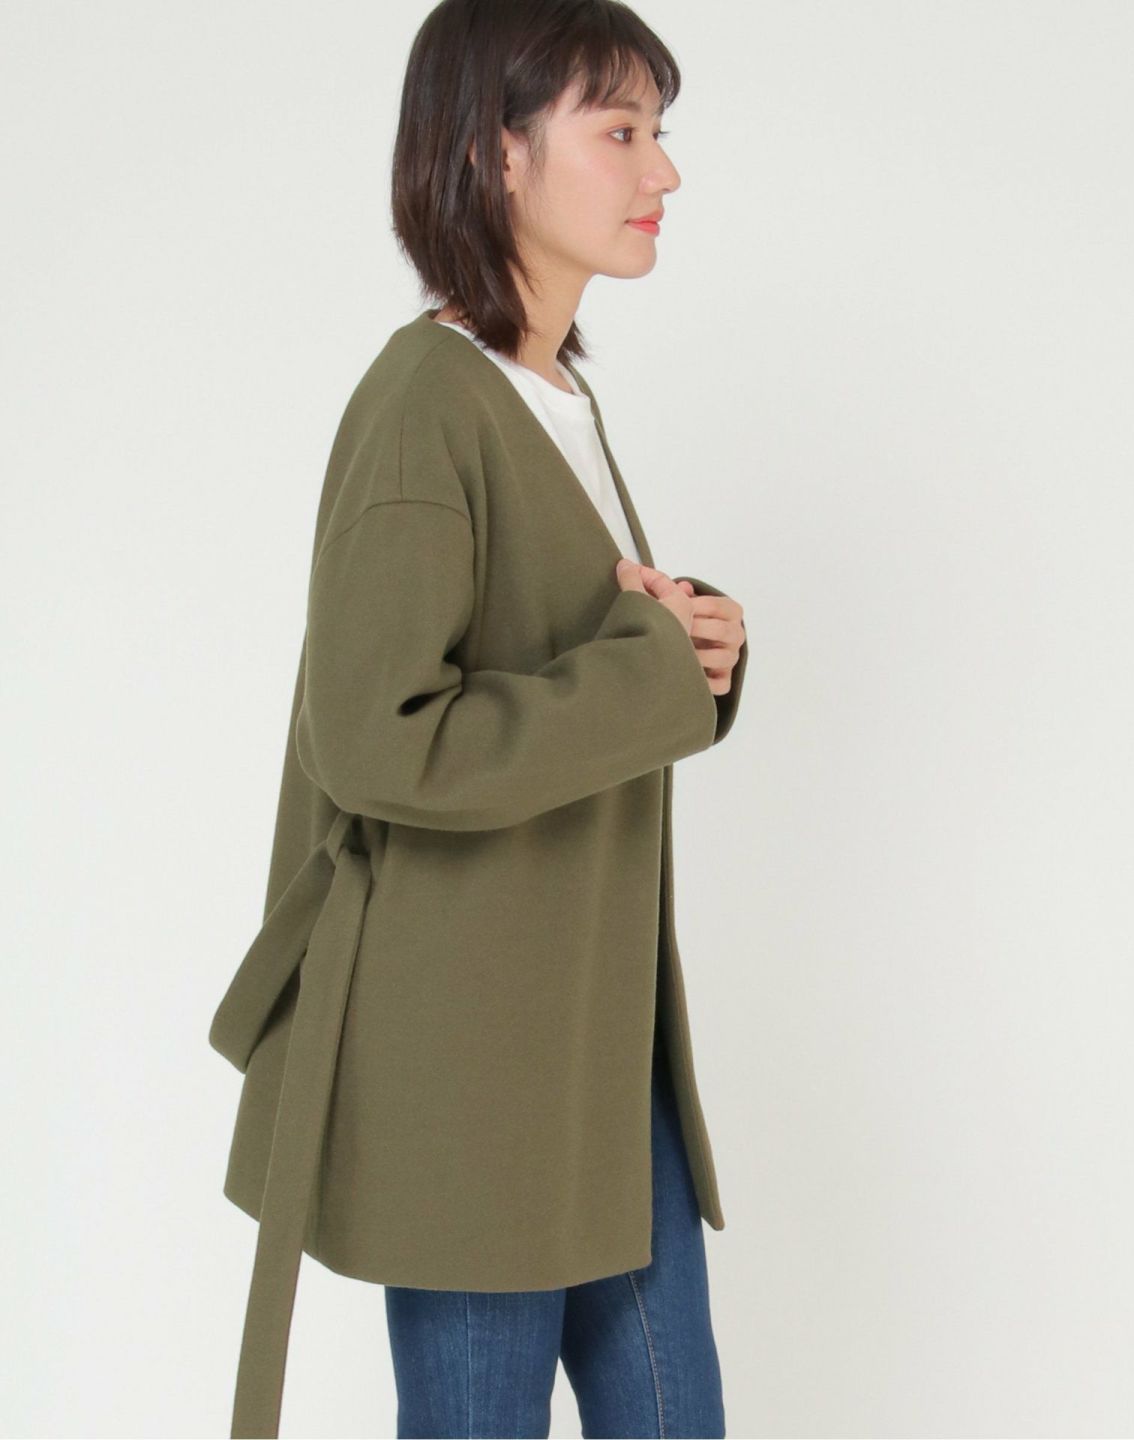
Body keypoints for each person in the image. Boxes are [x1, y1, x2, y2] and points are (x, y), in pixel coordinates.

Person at [208, 2, 749, 1436]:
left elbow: (574, 656)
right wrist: (645, 676)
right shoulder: (425, 405)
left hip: (593, 1036)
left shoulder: (556, 393)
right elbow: (378, 739)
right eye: (620, 131)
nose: (662, 171)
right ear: (497, 153)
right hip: (475, 1068)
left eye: (659, 132)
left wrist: (694, 646)